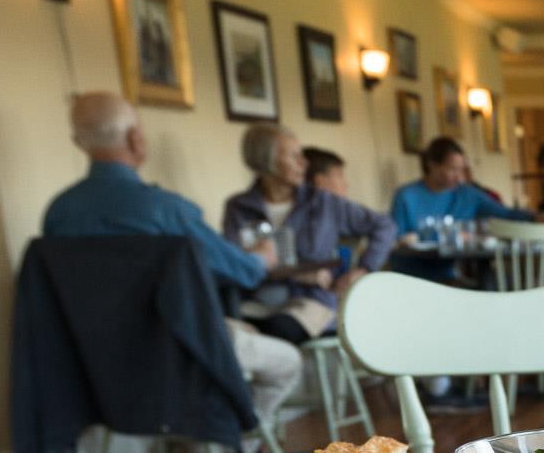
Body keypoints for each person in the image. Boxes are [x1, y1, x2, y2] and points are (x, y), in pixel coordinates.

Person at [42, 92, 301, 428]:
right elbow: (244, 272)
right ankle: (236, 446)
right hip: (184, 353)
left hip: (96, 365)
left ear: (79, 142)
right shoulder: (164, 210)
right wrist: (262, 257)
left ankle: (202, 445)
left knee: (237, 329)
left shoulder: (59, 214)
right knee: (289, 361)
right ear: (135, 139)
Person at [222, 123, 397, 343]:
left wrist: (363, 269)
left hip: (311, 305)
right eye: (293, 156)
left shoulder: (322, 202)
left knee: (273, 333)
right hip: (256, 304)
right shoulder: (238, 208)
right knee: (224, 333)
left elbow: (384, 225)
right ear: (266, 161)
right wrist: (298, 274)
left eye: (301, 155)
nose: (303, 162)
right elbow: (231, 263)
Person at [388, 137, 527, 279]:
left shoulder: (467, 194)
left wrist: (536, 217)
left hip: (448, 276)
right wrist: (450, 236)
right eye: (453, 169)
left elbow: (504, 213)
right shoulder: (406, 196)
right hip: (409, 277)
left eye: (461, 170)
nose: (459, 177)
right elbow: (396, 240)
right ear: (432, 165)